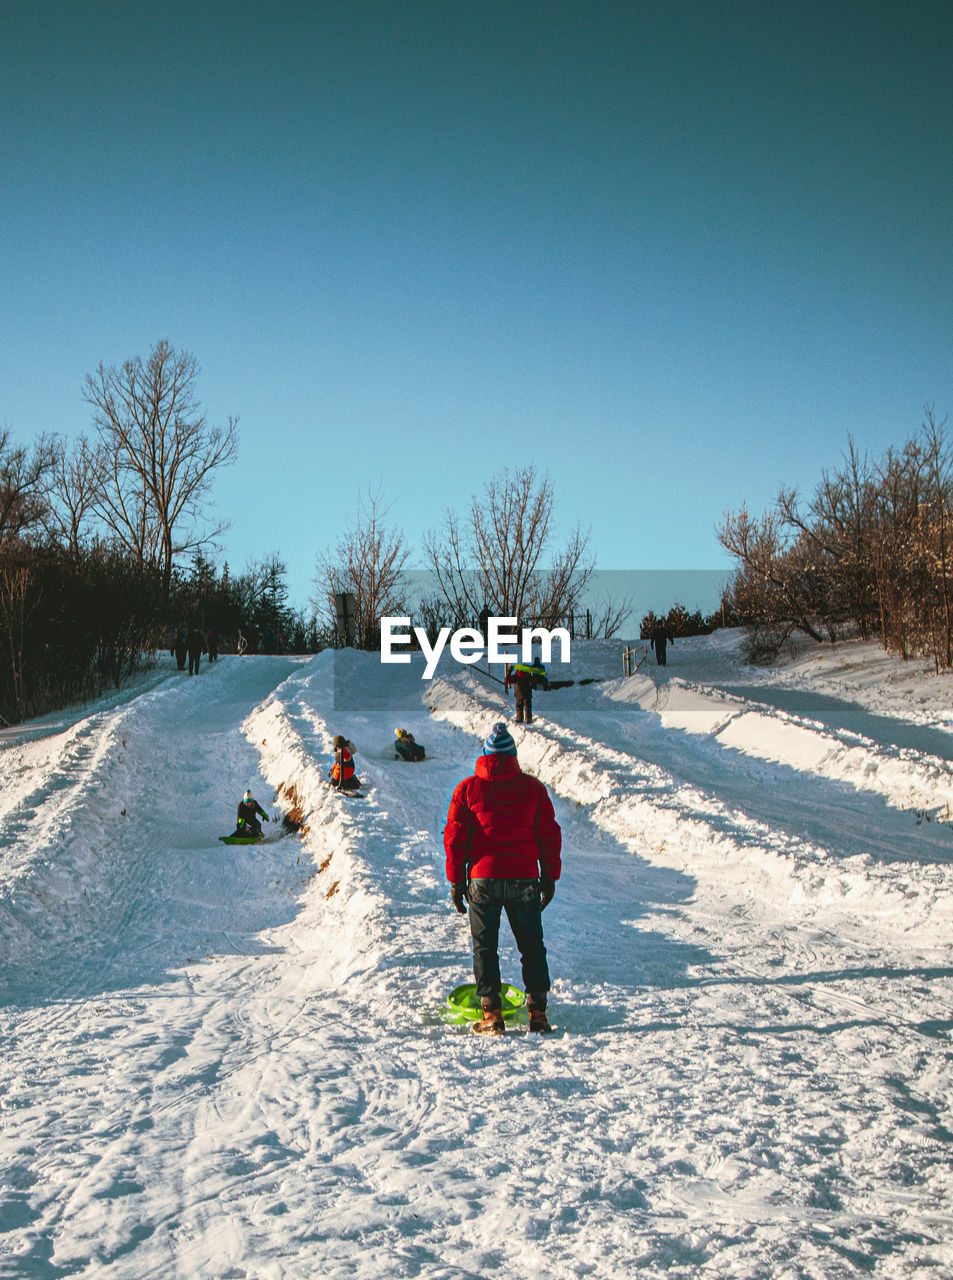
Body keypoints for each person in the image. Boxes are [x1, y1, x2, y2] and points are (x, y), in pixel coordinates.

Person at [444, 722, 561, 1035]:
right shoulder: (533, 789)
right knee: (532, 946)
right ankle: (538, 1013)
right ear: (513, 757)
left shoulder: (466, 790)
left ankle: (492, 1014)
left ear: (485, 755)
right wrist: (549, 878)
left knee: (485, 947)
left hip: (483, 880)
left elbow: (455, 839)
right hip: (524, 877)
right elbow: (549, 836)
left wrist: (456, 882)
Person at [505, 657, 549, 724]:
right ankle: (528, 719)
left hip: (518, 695)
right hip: (528, 694)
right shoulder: (528, 676)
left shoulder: (515, 677)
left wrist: (509, 671)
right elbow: (535, 681)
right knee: (528, 707)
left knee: (519, 707)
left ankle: (519, 719)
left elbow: (507, 680)